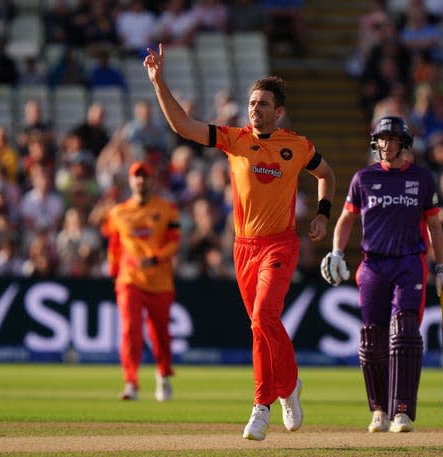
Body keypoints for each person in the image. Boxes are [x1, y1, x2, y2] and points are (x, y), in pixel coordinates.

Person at [143, 43, 336, 440]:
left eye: (263, 103)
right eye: (251, 102)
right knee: (260, 326)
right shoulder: (235, 140)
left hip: (280, 245)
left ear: (278, 111)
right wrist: (158, 82)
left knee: (265, 315)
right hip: (243, 248)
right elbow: (183, 126)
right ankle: (290, 386)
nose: (254, 108)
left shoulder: (296, 146)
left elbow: (327, 176)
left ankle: (261, 406)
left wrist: (322, 214)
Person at [320, 115, 443, 434]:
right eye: (381, 139)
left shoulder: (422, 179)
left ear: (404, 144)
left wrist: (441, 266)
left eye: (392, 139)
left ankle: (402, 411)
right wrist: (337, 252)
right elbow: (345, 219)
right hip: (373, 264)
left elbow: (435, 225)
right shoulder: (363, 178)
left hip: (409, 260)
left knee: (406, 333)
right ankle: (379, 410)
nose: (385, 144)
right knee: (372, 339)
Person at [103, 160, 181, 402]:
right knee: (130, 330)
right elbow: (114, 245)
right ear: (130, 180)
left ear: (152, 180)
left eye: (145, 176)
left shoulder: (167, 209)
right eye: (136, 176)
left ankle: (163, 375)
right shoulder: (118, 212)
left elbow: (174, 241)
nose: (141, 181)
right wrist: (114, 270)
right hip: (130, 279)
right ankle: (131, 382)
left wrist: (157, 258)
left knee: (160, 334)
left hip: (160, 281)